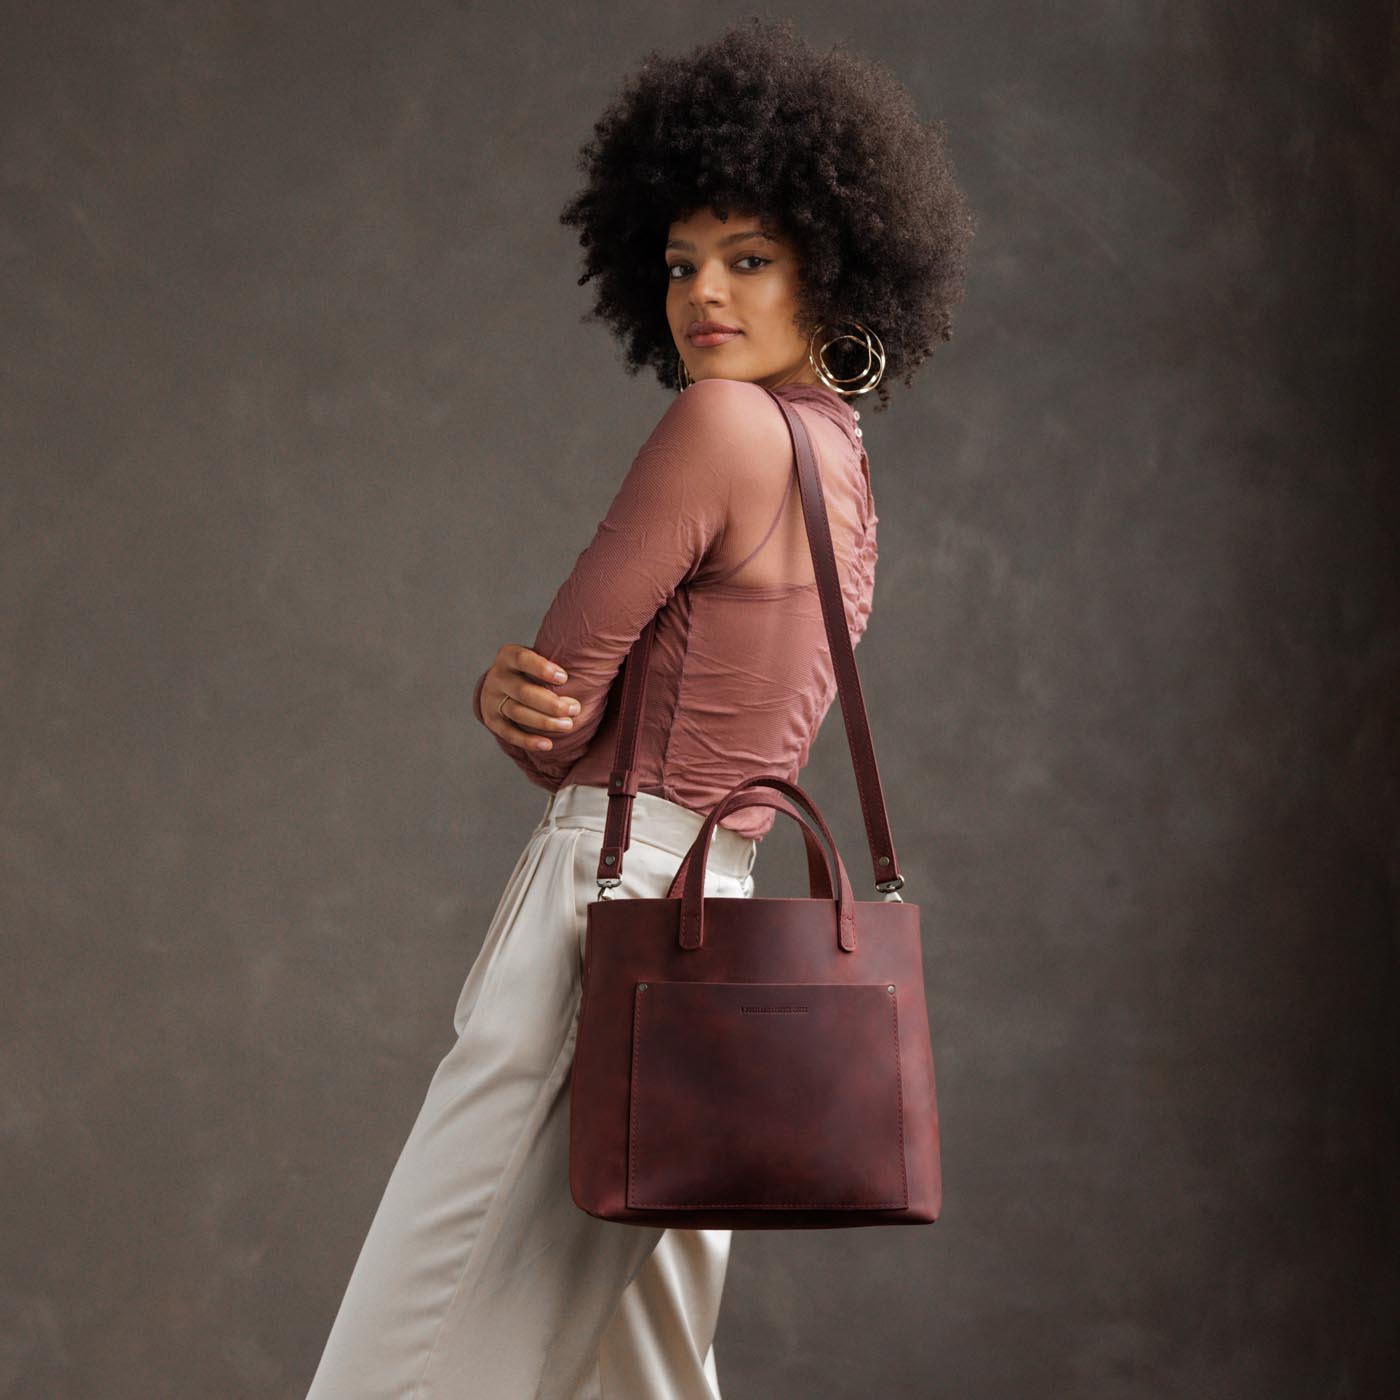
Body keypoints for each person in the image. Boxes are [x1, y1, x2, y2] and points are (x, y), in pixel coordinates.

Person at [305, 17, 974, 1400]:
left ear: (831, 268)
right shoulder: (838, 466)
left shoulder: (720, 426)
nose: (703, 296)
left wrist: (504, 695)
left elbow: (555, 714)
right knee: (644, 1368)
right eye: (679, 263)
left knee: (411, 1353)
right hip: (720, 930)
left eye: (749, 258)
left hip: (607, 915)